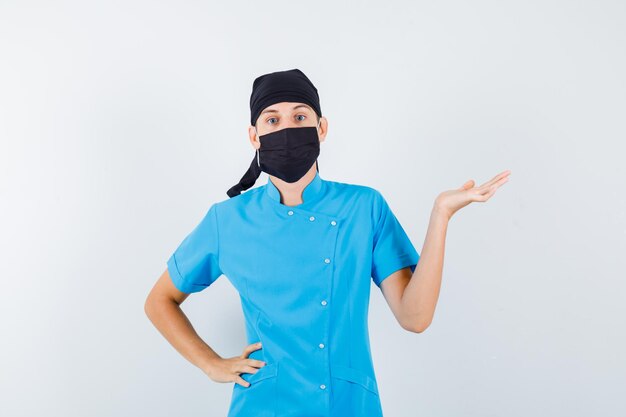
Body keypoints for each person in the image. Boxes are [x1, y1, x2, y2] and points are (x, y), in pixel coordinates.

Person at [144, 68, 511, 417]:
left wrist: (440, 216)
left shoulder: (363, 207)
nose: (287, 128)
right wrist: (211, 364)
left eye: (300, 117)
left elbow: (415, 317)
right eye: (272, 120)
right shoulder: (227, 220)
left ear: (321, 128)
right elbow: (160, 300)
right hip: (265, 405)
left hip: (347, 403)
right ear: (254, 136)